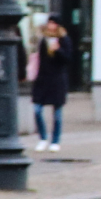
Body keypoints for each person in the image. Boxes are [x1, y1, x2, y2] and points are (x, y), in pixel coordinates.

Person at [29, 18, 72, 151]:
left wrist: (58, 50)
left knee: (57, 113)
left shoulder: (64, 39)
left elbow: (68, 59)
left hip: (57, 80)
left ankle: (55, 141)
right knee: (37, 109)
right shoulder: (42, 39)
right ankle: (43, 138)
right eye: (49, 23)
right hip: (42, 79)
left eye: (53, 23)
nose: (51, 26)